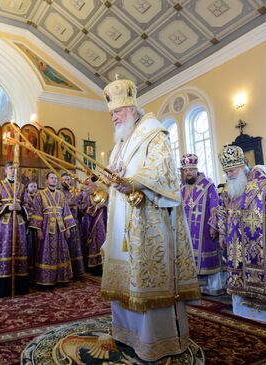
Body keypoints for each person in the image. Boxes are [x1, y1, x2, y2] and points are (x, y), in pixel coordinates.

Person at [100, 78, 199, 361]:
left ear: (131, 108)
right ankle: (125, 333)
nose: (113, 117)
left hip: (147, 222)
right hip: (122, 224)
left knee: (145, 278)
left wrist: (133, 183)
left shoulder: (154, 134)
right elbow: (114, 179)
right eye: (111, 113)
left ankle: (155, 341)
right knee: (124, 280)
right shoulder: (120, 144)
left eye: (116, 112)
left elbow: (164, 172)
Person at [210, 145, 266, 329]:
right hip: (238, 246)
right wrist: (221, 231)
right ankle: (247, 317)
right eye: (226, 171)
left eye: (233, 170)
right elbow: (222, 210)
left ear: (244, 166)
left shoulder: (265, 185)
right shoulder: (229, 189)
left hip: (265, 246)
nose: (229, 174)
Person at [180, 153, 224, 295]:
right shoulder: (181, 187)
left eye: (191, 169)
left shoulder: (208, 185)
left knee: (207, 257)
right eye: (185, 170)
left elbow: (215, 206)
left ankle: (213, 287)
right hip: (186, 229)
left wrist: (213, 225)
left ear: (196, 169)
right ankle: (195, 286)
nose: (188, 173)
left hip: (204, 228)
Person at [0, 161, 30, 297]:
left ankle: (20, 287)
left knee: (19, 250)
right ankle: (1, 288)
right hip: (3, 226)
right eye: (11, 168)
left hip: (18, 224)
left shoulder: (22, 187)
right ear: (6, 170)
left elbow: (28, 205)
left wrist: (21, 208)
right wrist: (7, 207)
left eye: (16, 169)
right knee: (3, 251)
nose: (14, 171)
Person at [30, 171, 75, 286]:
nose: (54, 180)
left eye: (55, 178)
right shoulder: (40, 194)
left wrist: (68, 228)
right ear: (47, 181)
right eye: (52, 178)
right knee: (46, 252)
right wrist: (39, 230)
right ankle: (46, 279)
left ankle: (61, 278)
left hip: (60, 228)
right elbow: (37, 212)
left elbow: (66, 211)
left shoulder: (61, 194)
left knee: (62, 251)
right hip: (46, 227)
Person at [79, 180, 107, 276]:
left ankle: (102, 265)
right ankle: (93, 267)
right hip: (89, 221)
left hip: (101, 220)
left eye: (92, 184)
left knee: (101, 241)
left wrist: (102, 206)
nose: (90, 186)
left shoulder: (101, 192)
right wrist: (95, 208)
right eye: (88, 184)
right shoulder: (84, 194)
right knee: (91, 243)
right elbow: (81, 207)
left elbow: (106, 203)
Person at [61, 173, 85, 278]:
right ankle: (66, 272)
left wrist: (80, 202)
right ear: (61, 181)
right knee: (66, 247)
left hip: (76, 222)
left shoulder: (74, 192)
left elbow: (82, 206)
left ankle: (77, 271)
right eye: (65, 179)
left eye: (69, 179)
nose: (67, 181)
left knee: (76, 247)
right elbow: (64, 205)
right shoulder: (59, 193)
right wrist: (74, 200)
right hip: (65, 224)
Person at [25, 181, 39, 279]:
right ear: (27, 188)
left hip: (38, 227)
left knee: (38, 249)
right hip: (28, 228)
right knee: (29, 249)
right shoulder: (25, 197)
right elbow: (25, 209)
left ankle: (38, 273)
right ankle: (28, 274)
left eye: (35, 186)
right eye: (31, 186)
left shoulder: (39, 197)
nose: (33, 188)